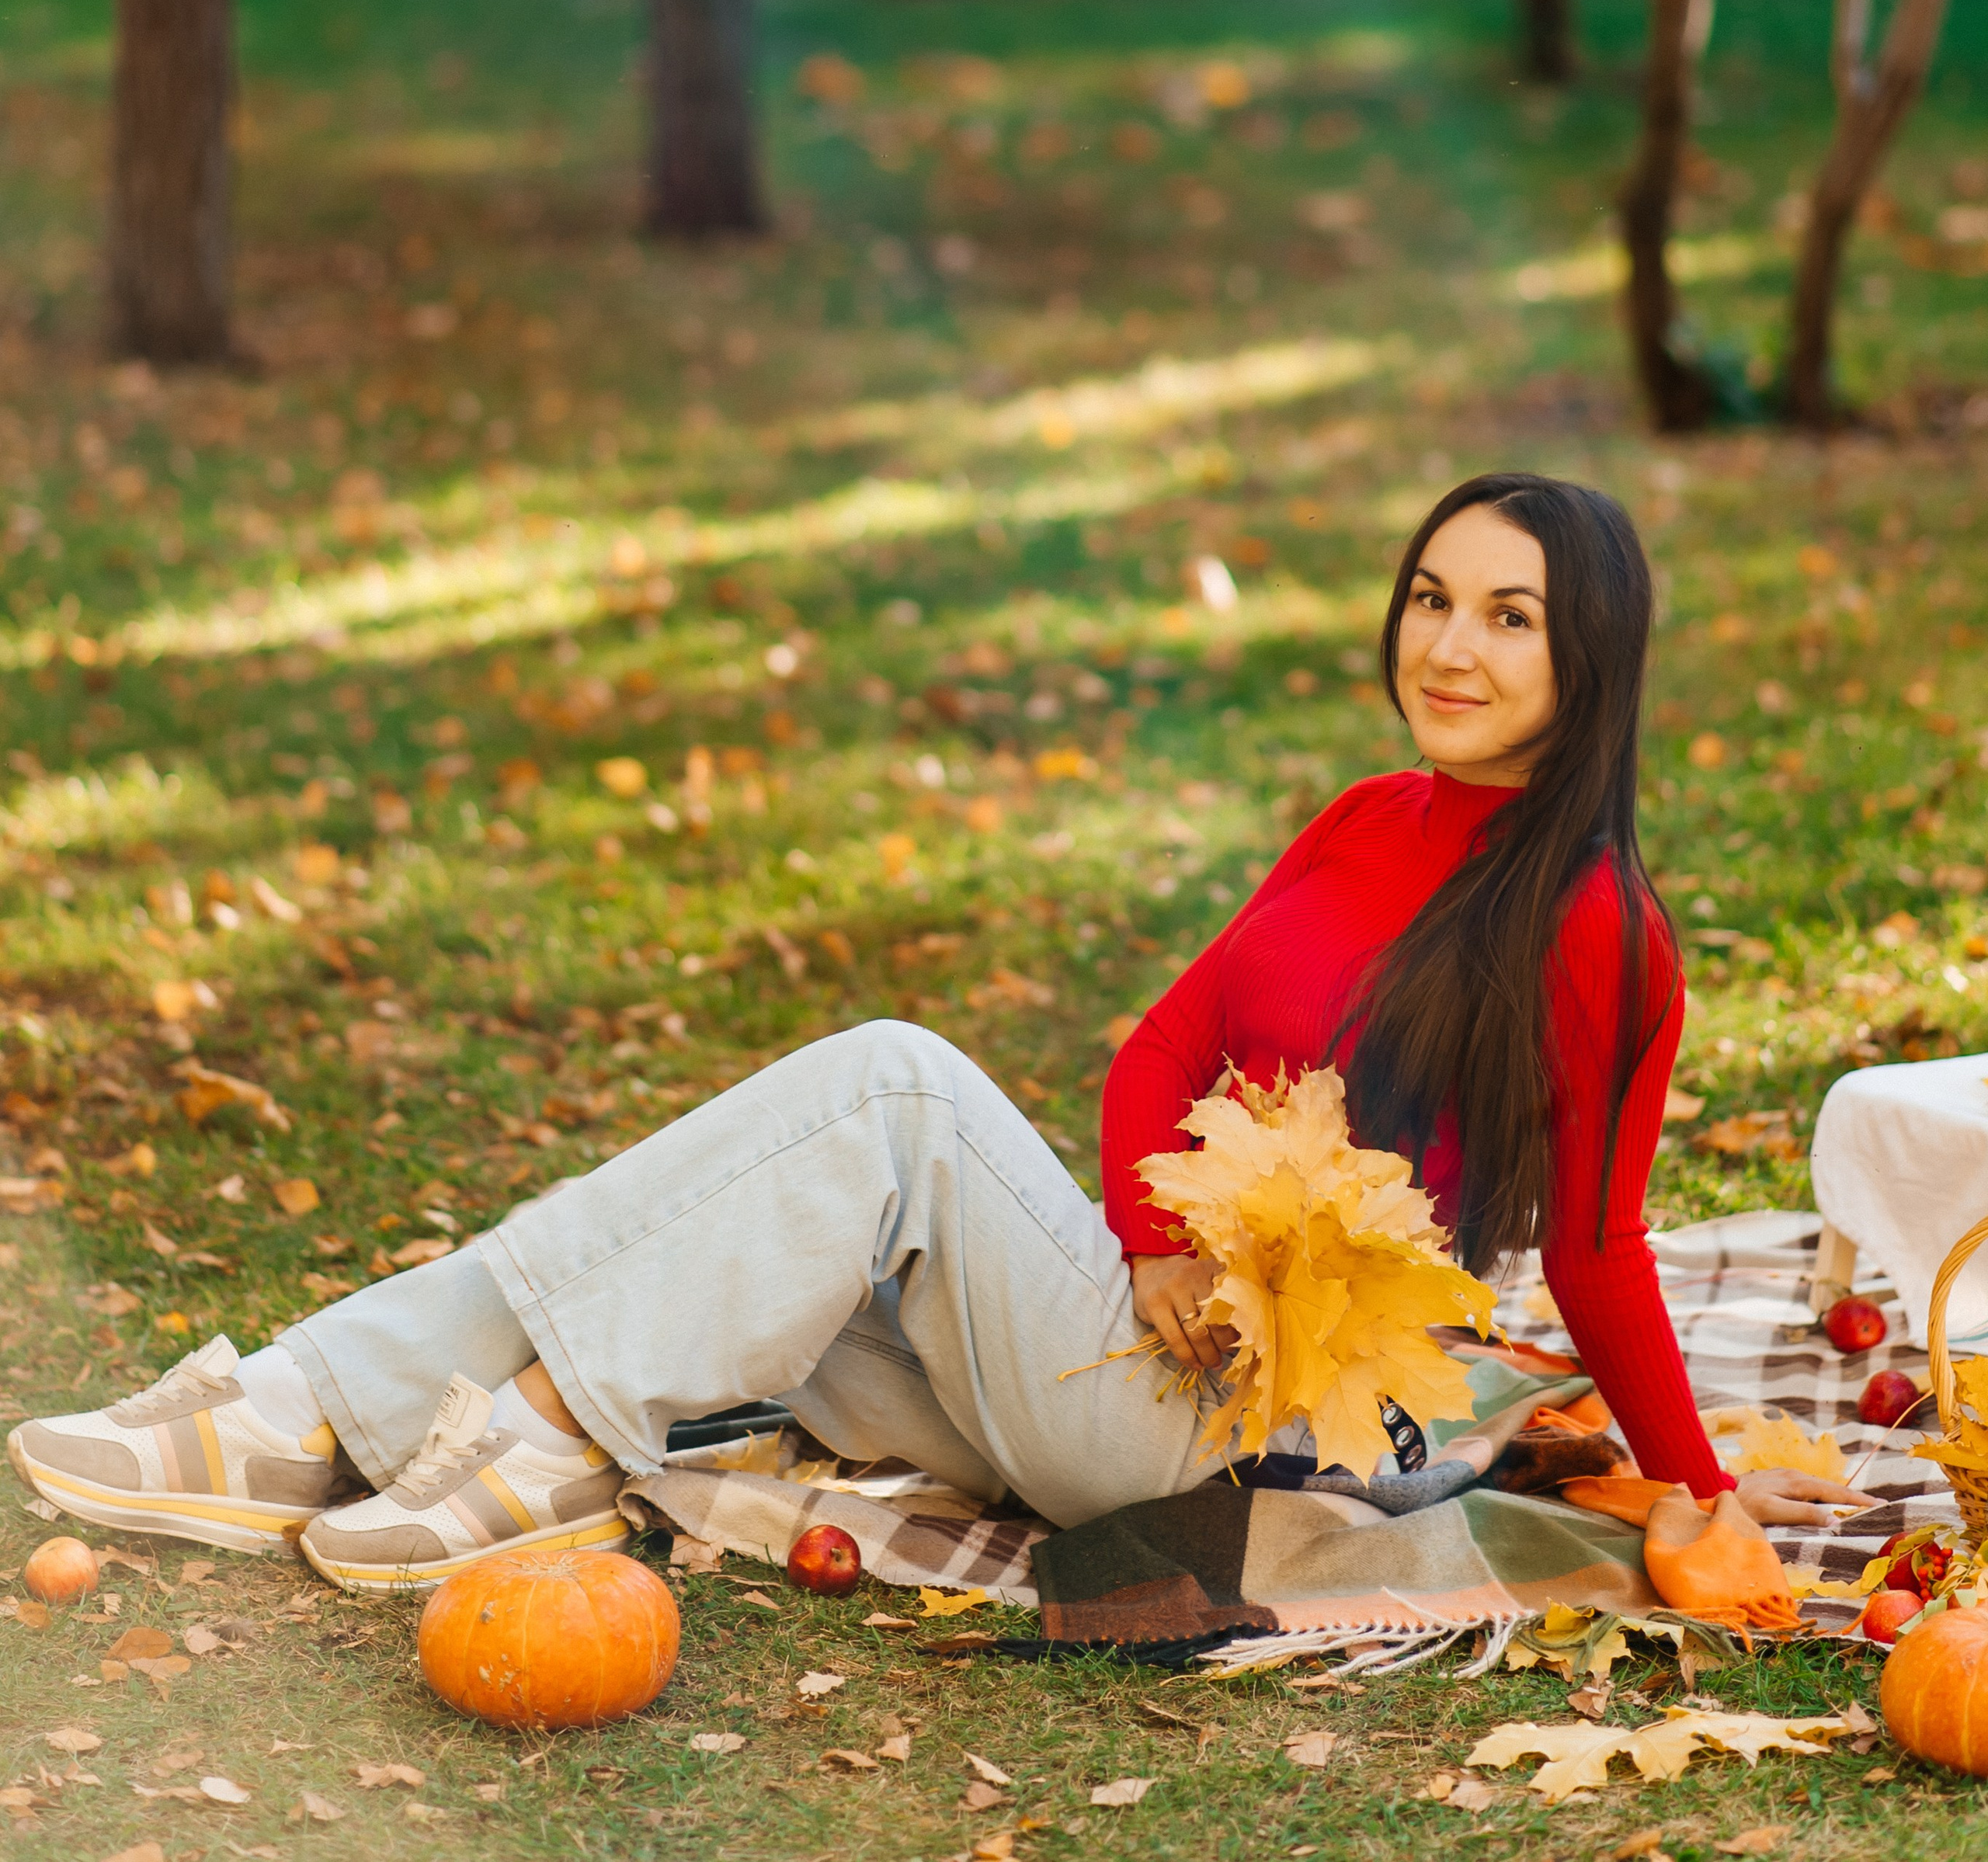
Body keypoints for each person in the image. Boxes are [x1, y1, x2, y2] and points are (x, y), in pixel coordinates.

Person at [9, 470, 1862, 1586]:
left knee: (889, 1083)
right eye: (1429, 598)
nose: (1447, 645)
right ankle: (319, 1423)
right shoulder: (1364, 816)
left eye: (1508, 618)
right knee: (702, 1231)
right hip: (1122, 1349)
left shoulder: (1596, 928)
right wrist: (1139, 1234)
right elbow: (1154, 1052)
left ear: (1586, 657)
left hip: (1244, 1426)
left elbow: (1609, 1241)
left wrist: (1699, 1492)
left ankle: (454, 1419)